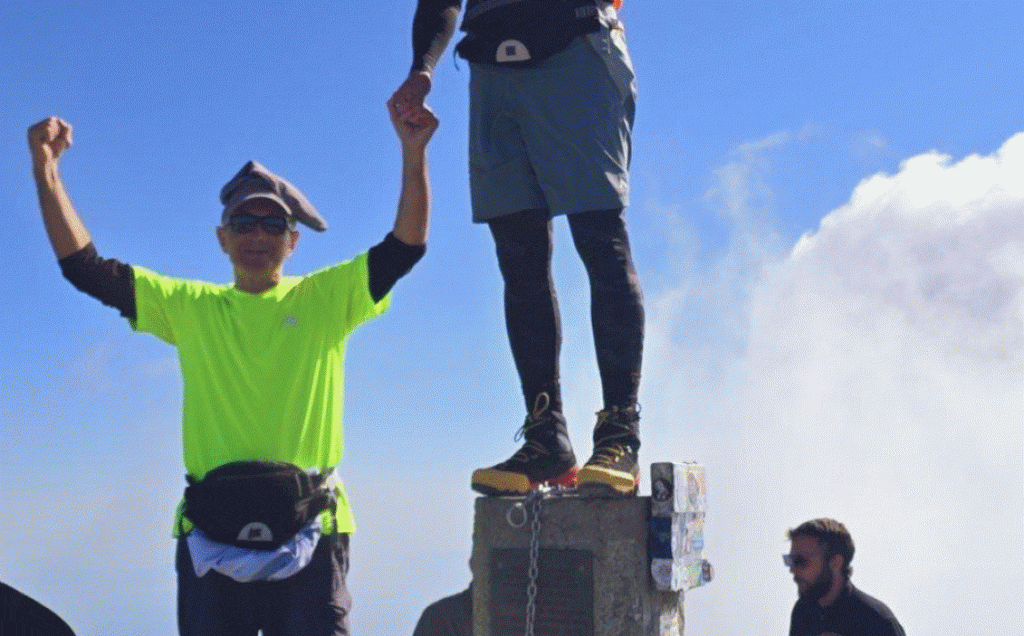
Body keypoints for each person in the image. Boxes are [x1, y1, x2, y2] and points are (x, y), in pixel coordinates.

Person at [28, 101, 439, 636]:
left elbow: (405, 247)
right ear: (222, 238)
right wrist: (46, 169)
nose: (257, 235)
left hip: (312, 530)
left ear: (293, 239)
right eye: (243, 222)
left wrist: (413, 152)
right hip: (210, 536)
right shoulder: (191, 308)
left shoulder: (326, 298)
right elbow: (86, 271)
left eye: (273, 223)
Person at [391, 0, 644, 497]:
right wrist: (422, 70)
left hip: (576, 45)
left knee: (600, 240)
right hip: (492, 68)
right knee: (519, 257)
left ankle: (620, 433)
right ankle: (546, 438)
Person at [785, 518, 906, 636]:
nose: (793, 570)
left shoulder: (877, 622)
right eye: (790, 560)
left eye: (800, 561)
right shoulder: (803, 611)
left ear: (836, 562)